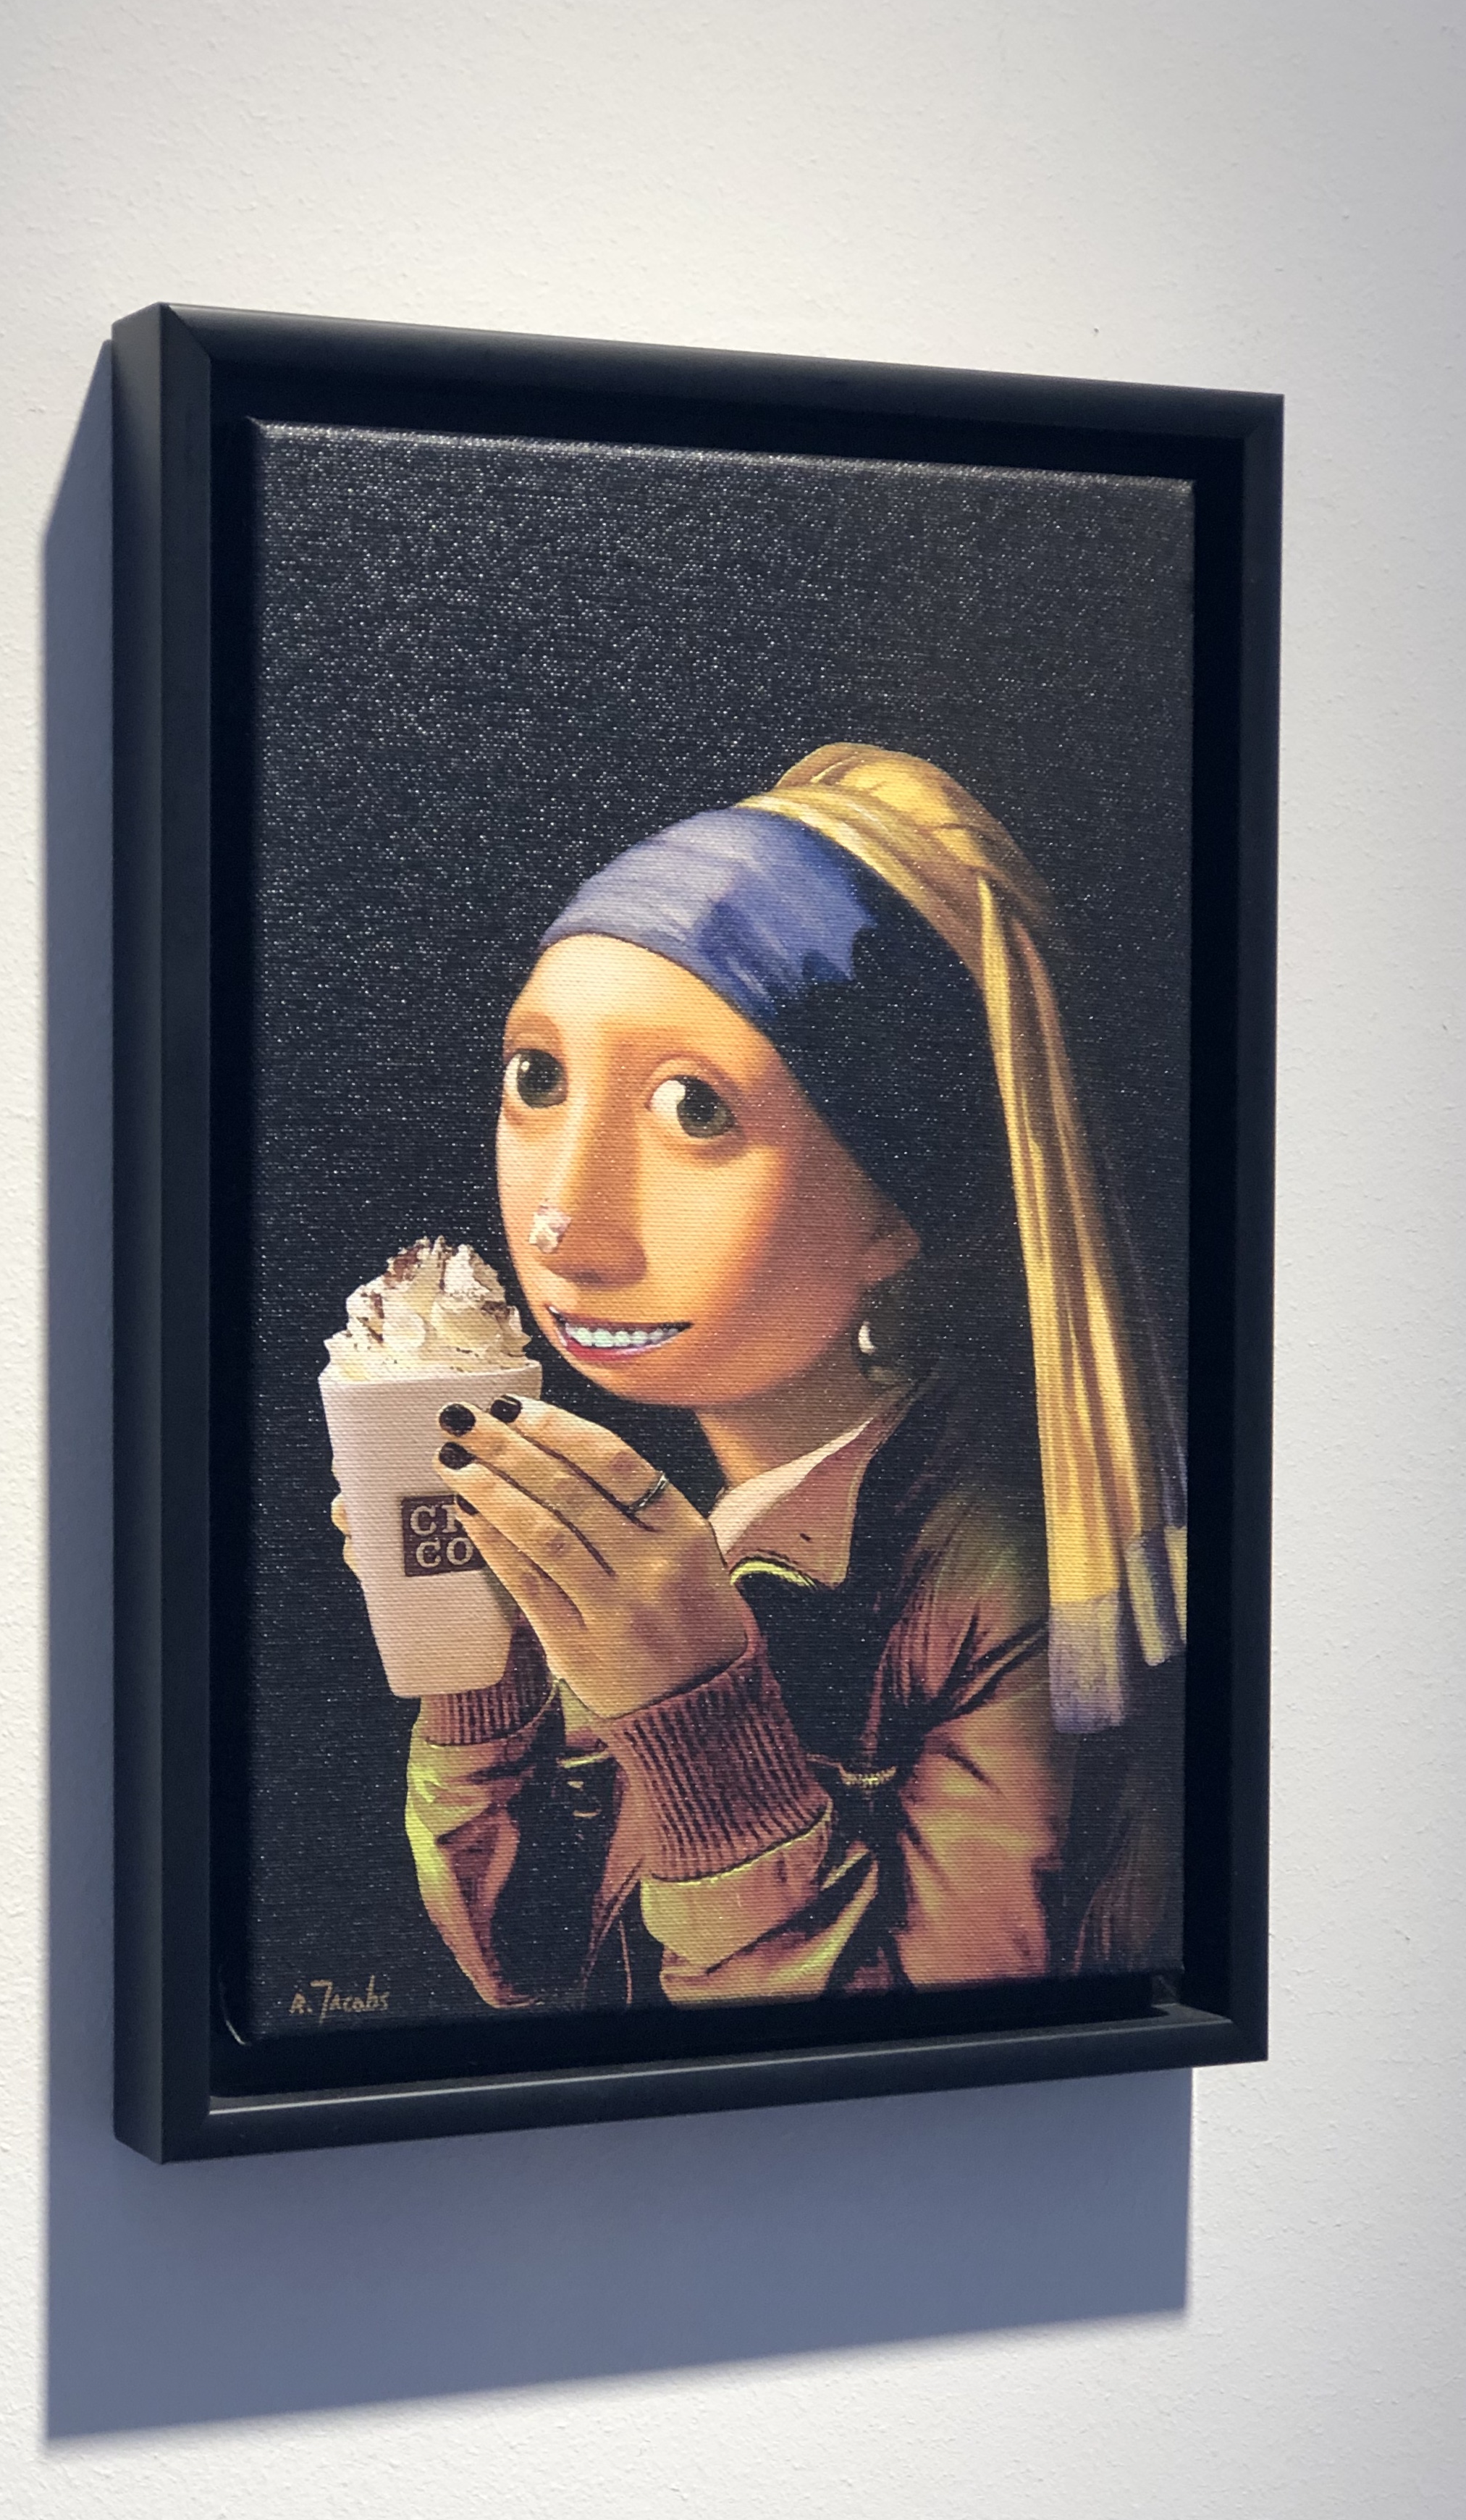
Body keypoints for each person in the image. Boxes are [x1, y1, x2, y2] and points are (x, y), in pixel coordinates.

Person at [343, 745, 1186, 2009]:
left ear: (894, 1211)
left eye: (694, 1110)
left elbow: (920, 2066)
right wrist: (478, 1669)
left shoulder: (1005, 1588)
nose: (563, 1223)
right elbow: (532, 1974)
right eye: (537, 1080)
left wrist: (694, 1717)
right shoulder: (676, 1525)